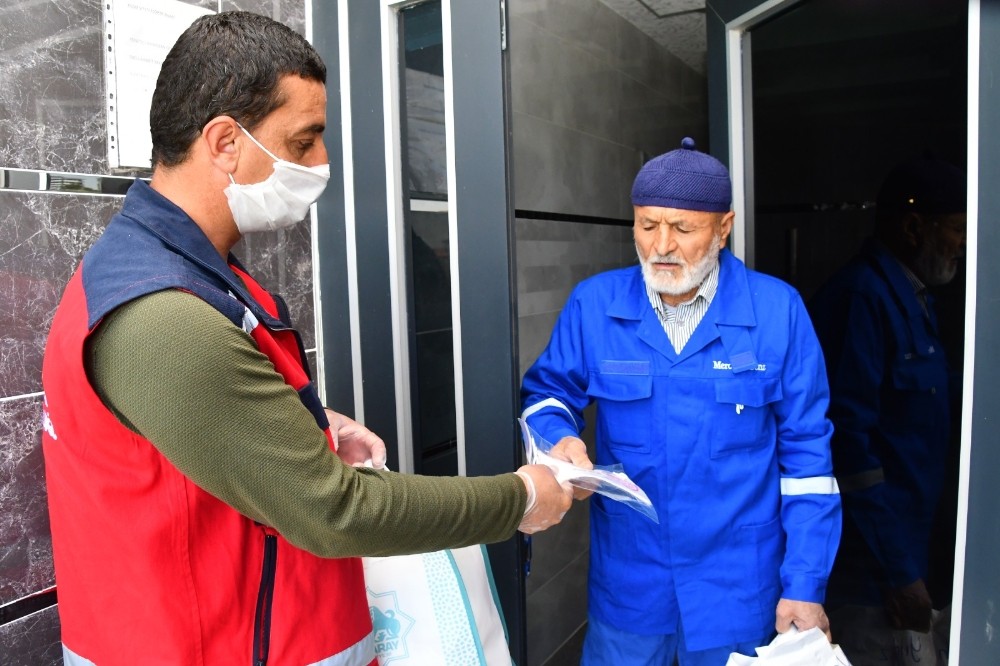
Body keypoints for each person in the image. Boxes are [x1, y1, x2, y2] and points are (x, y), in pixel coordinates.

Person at [40, 11, 580, 666]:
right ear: (224, 142)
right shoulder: (164, 318)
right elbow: (335, 511)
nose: (321, 163)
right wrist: (520, 498)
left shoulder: (178, 271)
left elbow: (201, 429)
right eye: (303, 141)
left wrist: (306, 426)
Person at [519, 137, 842, 665]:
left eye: (683, 228)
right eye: (647, 226)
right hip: (631, 586)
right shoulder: (596, 305)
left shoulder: (778, 312)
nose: (661, 245)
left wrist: (805, 582)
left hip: (737, 590)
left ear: (723, 227)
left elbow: (808, 457)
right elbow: (548, 392)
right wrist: (559, 438)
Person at [808, 155, 966, 660]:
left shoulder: (915, 299)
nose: (963, 245)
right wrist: (900, 573)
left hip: (914, 560)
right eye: (958, 229)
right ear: (915, 227)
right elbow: (849, 449)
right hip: (873, 582)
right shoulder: (863, 299)